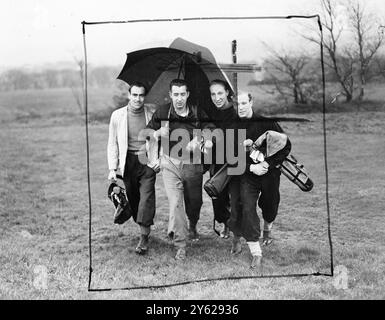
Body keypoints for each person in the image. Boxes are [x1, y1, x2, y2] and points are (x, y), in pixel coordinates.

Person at [146, 79, 214, 260]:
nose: (179, 99)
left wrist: (198, 140)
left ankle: (192, 224)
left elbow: (211, 130)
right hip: (170, 164)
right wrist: (158, 133)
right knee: (176, 202)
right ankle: (180, 245)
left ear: (188, 95)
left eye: (182, 94)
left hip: (193, 164)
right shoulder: (162, 112)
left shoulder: (198, 112)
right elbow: (147, 132)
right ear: (170, 95)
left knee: (194, 203)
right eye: (175, 94)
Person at [228, 91, 291, 269]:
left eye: (243, 103)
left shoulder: (267, 122)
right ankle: (256, 253)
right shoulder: (232, 127)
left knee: (270, 205)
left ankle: (267, 230)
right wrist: (251, 167)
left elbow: (286, 146)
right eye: (237, 104)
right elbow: (229, 157)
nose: (240, 107)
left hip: (270, 176)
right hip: (248, 176)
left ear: (251, 102)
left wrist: (268, 164)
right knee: (247, 207)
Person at [107, 81, 158, 255]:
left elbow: (161, 139)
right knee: (135, 199)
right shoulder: (117, 116)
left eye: (141, 95)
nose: (138, 99)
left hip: (147, 162)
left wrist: (158, 159)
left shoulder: (152, 114)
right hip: (128, 163)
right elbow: (112, 144)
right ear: (129, 95)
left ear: (145, 96)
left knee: (147, 198)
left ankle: (144, 237)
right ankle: (141, 225)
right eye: (135, 95)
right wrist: (112, 169)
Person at [208, 79, 238, 238]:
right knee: (218, 195)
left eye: (220, 93)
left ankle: (235, 225)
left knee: (235, 195)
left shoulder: (237, 111)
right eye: (213, 94)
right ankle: (225, 223)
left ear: (227, 92)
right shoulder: (211, 112)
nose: (217, 97)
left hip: (234, 158)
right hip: (217, 158)